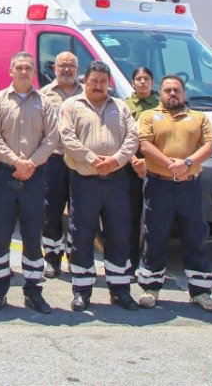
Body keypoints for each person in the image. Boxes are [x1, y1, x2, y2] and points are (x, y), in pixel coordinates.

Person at [59, 60, 140, 311]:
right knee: (82, 235)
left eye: (103, 82)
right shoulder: (71, 105)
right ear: (85, 80)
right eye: (94, 81)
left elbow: (133, 137)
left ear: (109, 84)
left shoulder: (120, 107)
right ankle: (82, 290)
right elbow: (66, 136)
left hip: (116, 180)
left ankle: (120, 289)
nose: (98, 86)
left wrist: (116, 160)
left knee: (118, 234)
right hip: (85, 180)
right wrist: (93, 159)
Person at [136, 75, 212, 312]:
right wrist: (172, 165)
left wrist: (187, 163)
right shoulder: (149, 115)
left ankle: (201, 292)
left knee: (195, 236)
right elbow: (145, 145)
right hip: (158, 185)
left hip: (189, 186)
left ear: (184, 94)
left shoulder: (198, 118)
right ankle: (150, 288)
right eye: (167, 90)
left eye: (177, 90)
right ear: (159, 94)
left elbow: (208, 146)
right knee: (155, 236)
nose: (172, 94)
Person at [0, 52, 59, 313]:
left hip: (35, 177)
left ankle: (33, 291)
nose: (24, 72)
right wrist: (17, 162)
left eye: (28, 68)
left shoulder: (45, 102)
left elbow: (52, 139)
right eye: (19, 68)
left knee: (32, 235)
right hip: (5, 175)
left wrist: (30, 165)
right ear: (10, 70)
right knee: (1, 235)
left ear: (33, 72)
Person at [40, 50, 82, 278]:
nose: (66, 70)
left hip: (80, 162)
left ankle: (74, 258)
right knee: (51, 211)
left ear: (77, 69)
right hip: (54, 160)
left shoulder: (87, 93)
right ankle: (52, 258)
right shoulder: (45, 95)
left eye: (71, 66)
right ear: (54, 69)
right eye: (62, 66)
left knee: (79, 212)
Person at [124, 65, 159, 275]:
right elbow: (120, 134)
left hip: (155, 166)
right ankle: (130, 263)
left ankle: (151, 265)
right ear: (133, 83)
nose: (143, 82)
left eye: (147, 78)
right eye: (139, 79)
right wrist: (134, 160)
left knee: (154, 217)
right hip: (130, 165)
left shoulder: (161, 105)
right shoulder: (124, 105)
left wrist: (148, 163)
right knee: (131, 217)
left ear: (152, 83)